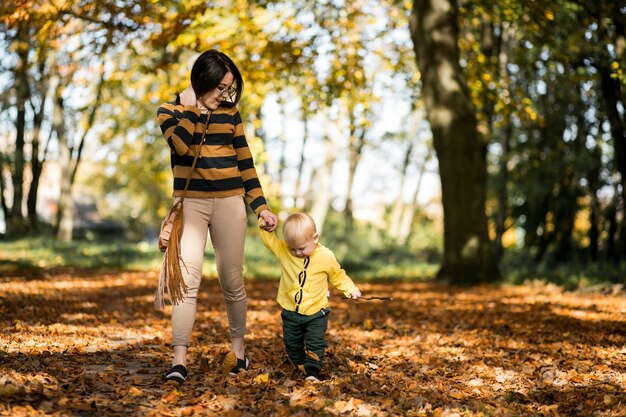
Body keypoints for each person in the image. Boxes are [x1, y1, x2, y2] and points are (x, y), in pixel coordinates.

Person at [156, 49, 278, 383]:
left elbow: (245, 162)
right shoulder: (169, 111)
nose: (224, 95)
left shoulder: (231, 114)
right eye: (219, 88)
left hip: (229, 202)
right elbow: (180, 145)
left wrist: (261, 206)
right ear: (202, 82)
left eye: (228, 88)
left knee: (232, 279)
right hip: (191, 205)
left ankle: (239, 354)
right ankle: (179, 360)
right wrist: (193, 108)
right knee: (187, 281)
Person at [258, 212, 361, 382]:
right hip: (291, 311)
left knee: (315, 342)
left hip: (316, 312)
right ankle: (299, 365)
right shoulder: (284, 251)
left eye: (302, 248)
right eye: (293, 249)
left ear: (315, 238)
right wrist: (265, 227)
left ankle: (313, 370)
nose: (297, 253)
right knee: (291, 343)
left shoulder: (325, 256)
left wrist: (351, 289)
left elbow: (338, 275)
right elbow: (271, 241)